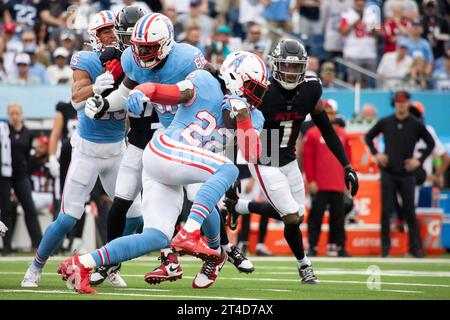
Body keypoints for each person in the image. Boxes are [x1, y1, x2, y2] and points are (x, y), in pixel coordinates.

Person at [57, 50, 268, 293]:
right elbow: (166, 92)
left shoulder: (254, 115)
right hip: (165, 150)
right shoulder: (205, 80)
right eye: (253, 87)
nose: (256, 95)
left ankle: (80, 264)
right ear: (235, 77)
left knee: (156, 237)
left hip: (180, 168)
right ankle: (194, 237)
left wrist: (242, 117)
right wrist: (140, 91)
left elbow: (252, 155)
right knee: (224, 170)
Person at [21, 10, 141, 288]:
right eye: (105, 31)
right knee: (67, 217)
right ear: (95, 36)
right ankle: (35, 266)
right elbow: (75, 99)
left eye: (114, 29)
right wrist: (95, 88)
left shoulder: (131, 59)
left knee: (135, 215)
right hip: (88, 149)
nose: (111, 35)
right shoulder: (86, 59)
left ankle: (110, 264)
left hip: (117, 150)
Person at [225, 39, 359, 285]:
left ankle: (239, 207)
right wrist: (230, 173)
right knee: (290, 216)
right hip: (263, 157)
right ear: (275, 66)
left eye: (296, 68)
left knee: (298, 214)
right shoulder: (261, 90)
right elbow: (236, 129)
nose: (290, 72)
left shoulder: (310, 89)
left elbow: (327, 130)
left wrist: (347, 166)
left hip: (288, 158)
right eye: (285, 66)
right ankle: (304, 266)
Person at [365, 90, 435, 258]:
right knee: (386, 211)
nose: (401, 105)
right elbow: (368, 137)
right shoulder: (385, 122)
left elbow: (430, 143)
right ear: (394, 104)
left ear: (408, 104)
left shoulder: (415, 123)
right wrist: (377, 154)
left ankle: (415, 248)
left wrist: (419, 160)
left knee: (410, 211)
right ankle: (385, 248)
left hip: (406, 173)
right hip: (388, 172)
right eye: (398, 102)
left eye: (404, 102)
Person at [303, 99, 352, 257]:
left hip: (337, 183)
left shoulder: (343, 134)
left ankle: (339, 246)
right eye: (327, 112)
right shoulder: (312, 134)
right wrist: (311, 181)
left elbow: (348, 158)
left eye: (331, 112)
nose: (329, 115)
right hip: (320, 184)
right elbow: (307, 159)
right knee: (315, 217)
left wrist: (347, 180)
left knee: (339, 218)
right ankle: (312, 246)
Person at [2, 102, 42, 255]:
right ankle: (7, 247)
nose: (14, 116)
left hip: (21, 175)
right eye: (11, 113)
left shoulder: (28, 133)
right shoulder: (4, 131)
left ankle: (38, 245)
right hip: (5, 176)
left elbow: (31, 157)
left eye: (16, 113)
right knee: (6, 210)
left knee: (29, 208)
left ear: (21, 114)